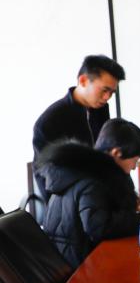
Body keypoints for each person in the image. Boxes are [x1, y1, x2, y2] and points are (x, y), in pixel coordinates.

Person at [36, 118, 140, 269]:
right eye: (135, 160)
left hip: (72, 257)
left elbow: (101, 210)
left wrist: (130, 204)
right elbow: (99, 227)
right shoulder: (93, 181)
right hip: (80, 266)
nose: (134, 167)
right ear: (116, 153)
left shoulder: (84, 170)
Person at [33, 55, 125, 194]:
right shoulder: (50, 120)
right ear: (83, 80)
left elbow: (104, 154)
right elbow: (46, 175)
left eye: (112, 92)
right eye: (104, 90)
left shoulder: (100, 109)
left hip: (99, 191)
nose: (107, 97)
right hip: (70, 198)